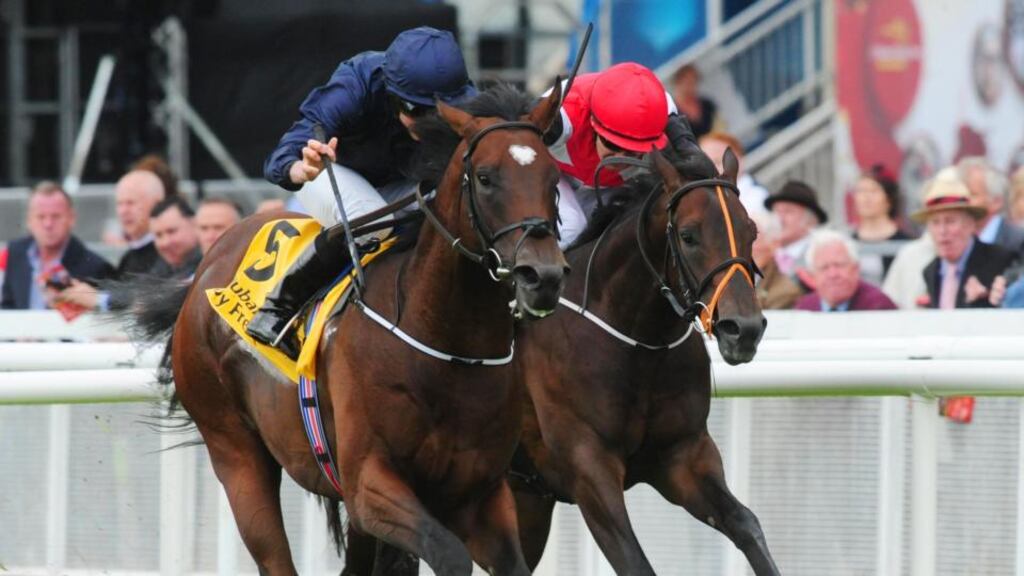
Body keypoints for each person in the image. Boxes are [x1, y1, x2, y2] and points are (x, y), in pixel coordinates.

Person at [251, 26, 478, 355]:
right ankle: (278, 308)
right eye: (420, 112)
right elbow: (286, 151)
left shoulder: (466, 99)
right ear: (392, 93)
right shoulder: (356, 83)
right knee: (368, 218)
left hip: (402, 187)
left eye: (440, 113)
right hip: (332, 175)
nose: (432, 123)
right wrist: (300, 168)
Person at [543, 61, 701, 245]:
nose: (622, 157)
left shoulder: (660, 114)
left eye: (634, 151)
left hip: (606, 186)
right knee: (571, 228)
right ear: (592, 122)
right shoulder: (562, 114)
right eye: (612, 143)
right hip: (554, 172)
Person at [55, 170, 166, 311]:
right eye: (119, 204)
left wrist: (99, 299)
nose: (123, 211)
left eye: (131, 203)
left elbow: (153, 299)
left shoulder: (169, 253)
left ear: (156, 205)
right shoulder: (129, 257)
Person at [1, 182, 114, 310]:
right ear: (29, 221)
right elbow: (7, 306)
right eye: (41, 217)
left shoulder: (96, 267)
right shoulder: (15, 253)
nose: (48, 224)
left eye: (56, 216)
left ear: (71, 218)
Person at [913, 168, 1015, 309]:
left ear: (971, 224)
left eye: (950, 221)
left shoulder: (1000, 260)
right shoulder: (931, 270)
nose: (942, 231)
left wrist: (985, 297)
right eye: (935, 223)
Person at [794, 230, 897, 311]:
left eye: (839, 265)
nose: (833, 274)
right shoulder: (805, 308)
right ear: (812, 275)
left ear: (856, 269)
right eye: (824, 267)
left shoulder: (878, 306)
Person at [851, 165, 912, 284]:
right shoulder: (847, 243)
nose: (866, 197)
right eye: (861, 191)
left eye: (874, 191)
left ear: (889, 198)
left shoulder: (907, 244)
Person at [764, 180, 827, 290]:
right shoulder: (763, 253)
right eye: (777, 211)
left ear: (810, 221)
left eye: (788, 211)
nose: (780, 219)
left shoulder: (822, 255)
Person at [959, 156, 1024, 257]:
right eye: (960, 194)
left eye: (972, 194)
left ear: (996, 202)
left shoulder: (1018, 242)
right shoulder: (954, 242)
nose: (962, 201)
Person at [699, 131, 769, 218]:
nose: (712, 169)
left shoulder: (758, 196)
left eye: (717, 161)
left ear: (739, 159)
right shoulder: (706, 200)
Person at [751, 212, 801, 309]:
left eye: (755, 239)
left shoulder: (786, 292)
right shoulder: (725, 277)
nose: (748, 246)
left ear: (774, 244)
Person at [149, 196, 202, 278]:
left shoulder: (210, 269)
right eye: (158, 235)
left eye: (171, 231)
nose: (165, 242)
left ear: (195, 224)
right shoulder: (157, 271)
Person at [670, 64, 718, 139]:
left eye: (694, 82)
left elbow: (719, 127)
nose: (691, 87)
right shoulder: (672, 114)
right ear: (678, 83)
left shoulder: (707, 105)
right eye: (687, 83)